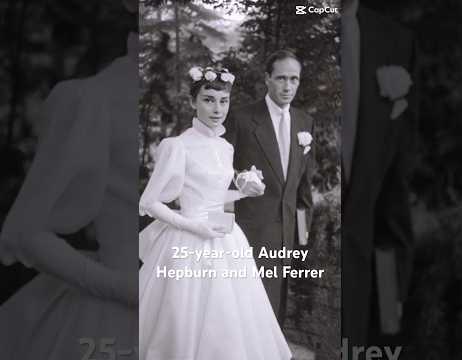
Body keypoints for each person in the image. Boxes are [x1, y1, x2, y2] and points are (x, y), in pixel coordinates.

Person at [0, 2, 140, 355]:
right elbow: (25, 232)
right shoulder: (95, 99)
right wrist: (122, 288)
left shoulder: (210, 103)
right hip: (117, 311)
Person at [138, 66, 292, 360]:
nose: (217, 108)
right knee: (182, 316)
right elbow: (149, 202)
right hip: (188, 239)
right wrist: (193, 227)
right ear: (193, 102)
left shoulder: (224, 147)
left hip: (224, 236)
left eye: (223, 101)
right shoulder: (177, 146)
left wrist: (242, 192)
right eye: (208, 99)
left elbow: (213, 196)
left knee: (229, 315)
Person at [341, 0, 416, 352]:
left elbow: (390, 200)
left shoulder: (395, 43)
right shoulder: (276, 25)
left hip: (352, 311)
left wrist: (388, 316)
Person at [224, 50, 315, 327]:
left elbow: (304, 190)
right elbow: (220, 175)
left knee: (275, 315)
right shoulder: (240, 119)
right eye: (281, 78)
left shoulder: (305, 123)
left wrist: (302, 237)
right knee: (247, 314)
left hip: (287, 236)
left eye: (294, 79)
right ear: (267, 79)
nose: (288, 86)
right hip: (248, 233)